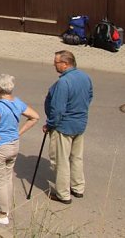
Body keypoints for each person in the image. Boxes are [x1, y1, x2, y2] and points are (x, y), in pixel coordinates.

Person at [0, 74, 40, 226]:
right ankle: (7, 207)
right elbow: (35, 117)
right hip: (13, 145)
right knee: (7, 177)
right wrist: (19, 133)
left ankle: (2, 214)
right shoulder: (17, 102)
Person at [44, 50, 93, 204]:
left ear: (65, 64)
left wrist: (50, 124)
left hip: (63, 127)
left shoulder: (63, 82)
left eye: (56, 62)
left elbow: (57, 109)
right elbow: (89, 96)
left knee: (61, 161)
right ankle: (78, 188)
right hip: (80, 124)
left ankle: (63, 194)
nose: (54, 65)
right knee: (77, 158)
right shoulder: (85, 77)